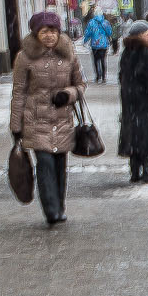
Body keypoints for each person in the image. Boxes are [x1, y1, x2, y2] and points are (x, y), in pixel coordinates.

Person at [10, 11, 86, 225]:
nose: (49, 36)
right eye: (44, 31)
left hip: (62, 121)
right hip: (36, 120)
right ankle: (51, 210)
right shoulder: (24, 57)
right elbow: (19, 93)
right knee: (45, 165)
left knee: (60, 167)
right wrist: (16, 125)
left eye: (53, 31)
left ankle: (60, 207)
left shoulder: (69, 54)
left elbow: (81, 85)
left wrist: (68, 94)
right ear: (36, 33)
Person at [117, 19, 148, 185]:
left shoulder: (127, 51)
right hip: (146, 100)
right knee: (147, 135)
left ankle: (134, 172)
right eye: (147, 33)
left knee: (134, 135)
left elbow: (122, 76)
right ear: (140, 35)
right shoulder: (145, 51)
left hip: (131, 100)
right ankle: (147, 171)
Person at [82, 11, 114, 84]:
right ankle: (103, 77)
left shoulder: (91, 22)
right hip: (104, 44)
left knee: (96, 61)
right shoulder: (105, 22)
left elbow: (88, 33)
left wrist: (85, 40)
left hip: (94, 45)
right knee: (103, 60)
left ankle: (97, 76)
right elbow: (109, 32)